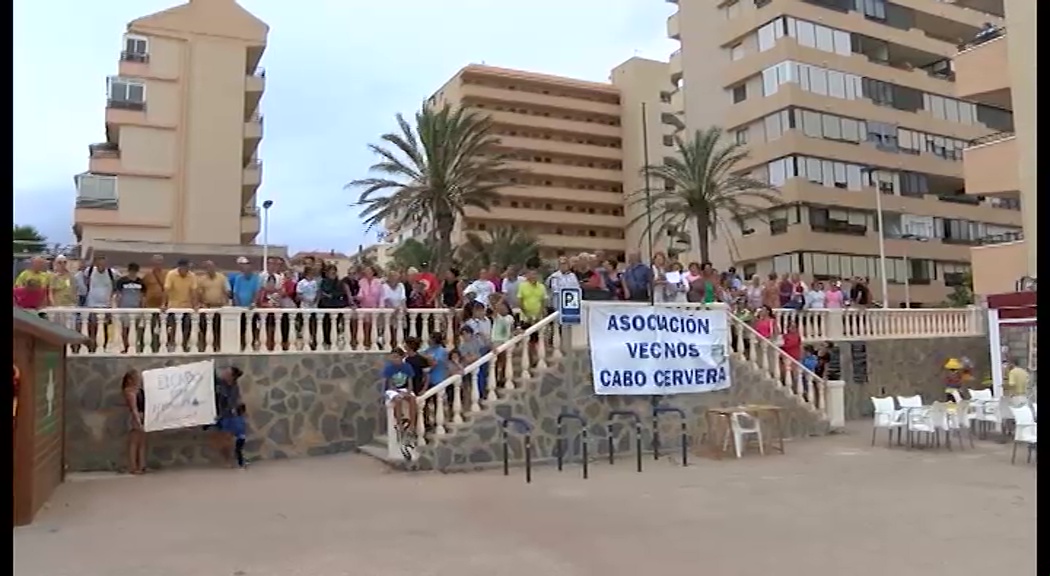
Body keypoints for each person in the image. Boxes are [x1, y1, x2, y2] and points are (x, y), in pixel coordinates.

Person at [381, 347, 418, 458]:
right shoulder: (389, 368)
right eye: (393, 357)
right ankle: (400, 424)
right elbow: (390, 384)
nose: (394, 359)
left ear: (402, 357)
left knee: (412, 399)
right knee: (398, 399)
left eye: (396, 357)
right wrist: (398, 393)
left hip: (403, 388)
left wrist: (409, 392)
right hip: (392, 390)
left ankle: (412, 424)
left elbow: (410, 383)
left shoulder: (407, 367)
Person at [212, 366, 247, 469]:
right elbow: (213, 378)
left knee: (239, 437)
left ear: (231, 377)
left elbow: (231, 403)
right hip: (223, 416)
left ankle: (238, 457)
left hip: (231, 416)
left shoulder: (234, 388)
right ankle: (228, 460)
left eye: (227, 372)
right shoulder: (221, 383)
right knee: (224, 440)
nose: (224, 373)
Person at [113, 263, 146, 353]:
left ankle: (134, 346)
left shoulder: (140, 282)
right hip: (125, 307)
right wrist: (118, 306)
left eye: (134, 271)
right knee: (125, 329)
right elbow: (118, 295)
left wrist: (142, 308)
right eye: (131, 271)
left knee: (135, 328)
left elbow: (143, 296)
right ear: (129, 271)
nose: (133, 273)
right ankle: (126, 346)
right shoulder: (122, 281)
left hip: (136, 308)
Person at [121, 369, 147, 475]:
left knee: (142, 442)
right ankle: (133, 467)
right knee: (134, 443)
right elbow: (133, 408)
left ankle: (141, 465)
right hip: (135, 417)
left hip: (142, 415)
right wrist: (138, 421)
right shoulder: (129, 391)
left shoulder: (138, 390)